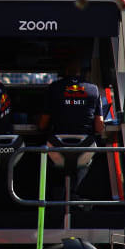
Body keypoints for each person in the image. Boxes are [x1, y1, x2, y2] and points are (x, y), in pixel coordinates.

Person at [38, 55, 105, 200]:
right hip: (84, 148)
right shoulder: (93, 89)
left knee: (50, 162)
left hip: (57, 148)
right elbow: (100, 127)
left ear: (64, 70)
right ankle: (72, 195)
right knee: (81, 164)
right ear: (81, 71)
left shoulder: (54, 88)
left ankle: (56, 198)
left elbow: (43, 124)